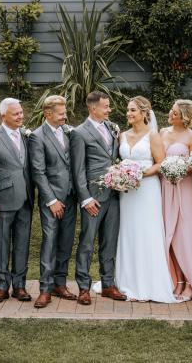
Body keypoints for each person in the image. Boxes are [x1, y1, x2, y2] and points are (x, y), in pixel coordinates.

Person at [115, 96, 177, 302]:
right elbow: (120, 160)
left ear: (144, 113)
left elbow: (161, 163)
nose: (128, 114)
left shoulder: (153, 136)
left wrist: (139, 174)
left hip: (147, 190)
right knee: (129, 231)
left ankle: (149, 283)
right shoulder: (122, 135)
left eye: (133, 110)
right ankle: (127, 282)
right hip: (127, 193)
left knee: (147, 231)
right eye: (127, 110)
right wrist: (122, 175)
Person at [70, 91, 126, 305]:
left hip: (113, 194)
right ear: (93, 108)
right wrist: (85, 198)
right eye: (105, 106)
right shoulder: (79, 133)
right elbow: (78, 170)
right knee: (87, 242)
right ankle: (83, 287)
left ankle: (108, 284)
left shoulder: (112, 128)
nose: (109, 110)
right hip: (93, 197)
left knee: (109, 241)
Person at [0, 98, 34, 303]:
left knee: (22, 244)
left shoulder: (27, 136)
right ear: (4, 116)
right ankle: (1, 287)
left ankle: (19, 286)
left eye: (21, 112)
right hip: (2, 200)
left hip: (26, 199)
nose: (21, 116)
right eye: (16, 114)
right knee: (1, 245)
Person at [29, 96, 77, 308]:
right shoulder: (37, 137)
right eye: (60, 113)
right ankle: (45, 289)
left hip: (71, 197)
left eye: (65, 112)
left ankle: (60, 283)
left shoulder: (68, 132)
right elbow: (38, 172)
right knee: (50, 243)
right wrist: (51, 200)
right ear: (48, 114)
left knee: (66, 242)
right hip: (52, 201)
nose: (65, 116)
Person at [160, 99, 192, 301]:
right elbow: (157, 160)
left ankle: (189, 283)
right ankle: (176, 280)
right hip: (164, 188)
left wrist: (179, 169)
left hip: (182, 188)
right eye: (171, 110)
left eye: (174, 112)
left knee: (184, 235)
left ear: (184, 117)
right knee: (168, 233)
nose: (170, 113)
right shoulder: (162, 133)